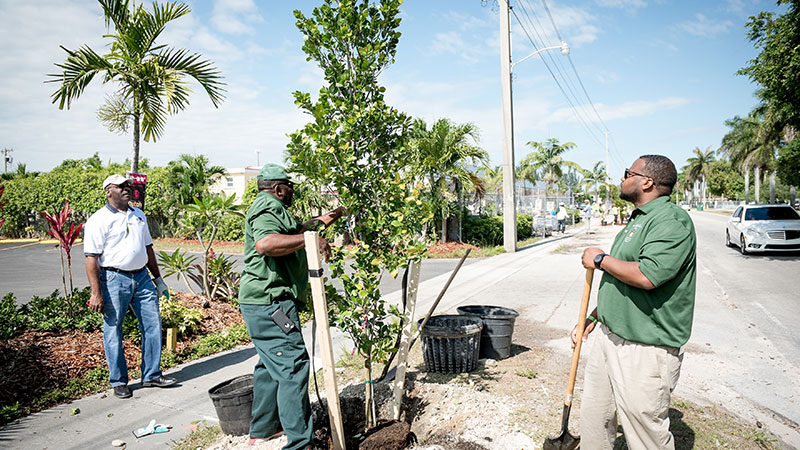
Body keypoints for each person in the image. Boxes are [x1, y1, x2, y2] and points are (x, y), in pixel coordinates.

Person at [573, 155, 696, 450]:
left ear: (647, 182)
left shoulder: (670, 221)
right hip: (610, 336)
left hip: (645, 347)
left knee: (645, 434)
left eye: (628, 173)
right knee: (596, 419)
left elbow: (647, 276)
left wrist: (600, 259)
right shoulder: (640, 218)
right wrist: (595, 316)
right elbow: (623, 280)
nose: (622, 178)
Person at [238, 163, 344, 449]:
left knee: (270, 366)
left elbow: (295, 230)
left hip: (262, 301)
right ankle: (299, 443)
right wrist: (312, 240)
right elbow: (266, 243)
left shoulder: (273, 207)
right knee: (293, 366)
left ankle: (263, 428)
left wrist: (327, 219)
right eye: (290, 188)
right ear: (278, 188)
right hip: (271, 303)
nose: (292, 192)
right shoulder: (266, 207)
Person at [84, 174, 176, 399]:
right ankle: (119, 381)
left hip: (142, 278)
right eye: (121, 186)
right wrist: (96, 293)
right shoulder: (99, 220)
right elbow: (91, 259)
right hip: (114, 279)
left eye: (129, 186)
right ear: (108, 192)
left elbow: (148, 249)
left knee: (153, 325)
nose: (127, 189)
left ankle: (151, 375)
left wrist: (158, 279)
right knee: (114, 330)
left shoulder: (138, 215)